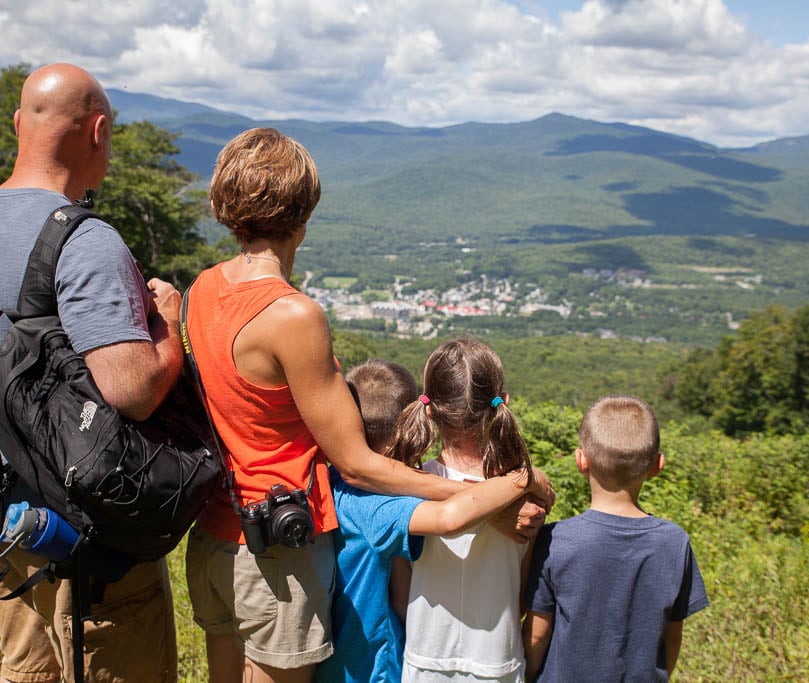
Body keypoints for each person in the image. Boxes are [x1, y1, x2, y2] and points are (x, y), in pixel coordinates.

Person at [182, 129, 552, 683]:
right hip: (276, 554)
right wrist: (490, 496)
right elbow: (357, 462)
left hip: (215, 535)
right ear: (303, 217)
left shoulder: (204, 288)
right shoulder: (292, 315)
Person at [0, 64, 182, 683]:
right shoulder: (85, 239)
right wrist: (169, 327)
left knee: (27, 672)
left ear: (20, 124)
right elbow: (132, 390)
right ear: (99, 132)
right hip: (84, 534)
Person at [315, 360, 547, 683]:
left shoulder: (329, 479)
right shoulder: (382, 505)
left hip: (342, 661)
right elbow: (450, 519)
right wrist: (523, 480)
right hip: (375, 667)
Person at [522, 395, 709, 682]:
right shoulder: (675, 542)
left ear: (581, 461)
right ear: (657, 465)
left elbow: (537, 635)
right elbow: (673, 636)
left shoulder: (555, 539)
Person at [386, 336, 536, 683]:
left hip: (426, 657)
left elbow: (401, 593)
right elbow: (524, 593)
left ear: (428, 409)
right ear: (503, 404)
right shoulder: (523, 495)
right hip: (498, 659)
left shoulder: (409, 487)